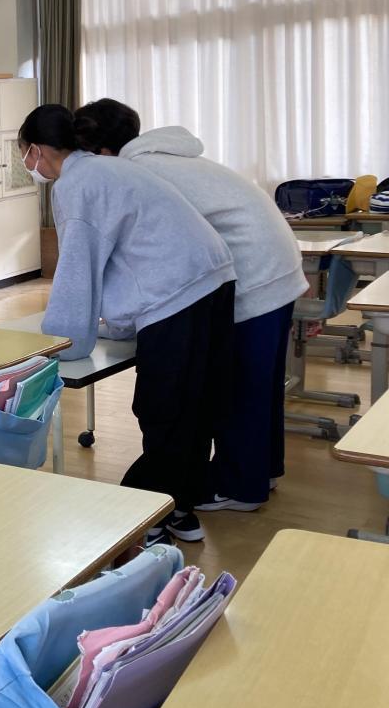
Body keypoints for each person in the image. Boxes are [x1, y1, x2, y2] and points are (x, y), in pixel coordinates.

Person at [74, 99, 307, 510]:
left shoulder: (136, 171)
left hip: (250, 270)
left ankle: (239, 487)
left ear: (101, 151)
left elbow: (138, 247)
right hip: (276, 264)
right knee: (262, 385)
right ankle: (261, 471)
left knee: (236, 388)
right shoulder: (166, 157)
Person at [19, 104, 236, 545]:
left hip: (176, 292)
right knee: (193, 405)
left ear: (38, 150)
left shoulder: (77, 184)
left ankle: (141, 518)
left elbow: (78, 270)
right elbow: (129, 253)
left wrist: (62, 342)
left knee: (162, 409)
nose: (26, 163)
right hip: (213, 280)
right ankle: (181, 508)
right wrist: (117, 327)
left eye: (23, 152)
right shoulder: (107, 169)